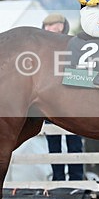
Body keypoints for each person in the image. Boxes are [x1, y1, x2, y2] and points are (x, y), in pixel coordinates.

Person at [42, 13, 84, 181]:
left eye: (54, 26)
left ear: (62, 27)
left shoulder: (73, 45)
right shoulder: (42, 51)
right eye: (47, 26)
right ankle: (58, 179)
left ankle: (76, 179)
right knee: (53, 144)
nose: (50, 29)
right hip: (50, 104)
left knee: (75, 143)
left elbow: (82, 73)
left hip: (71, 103)